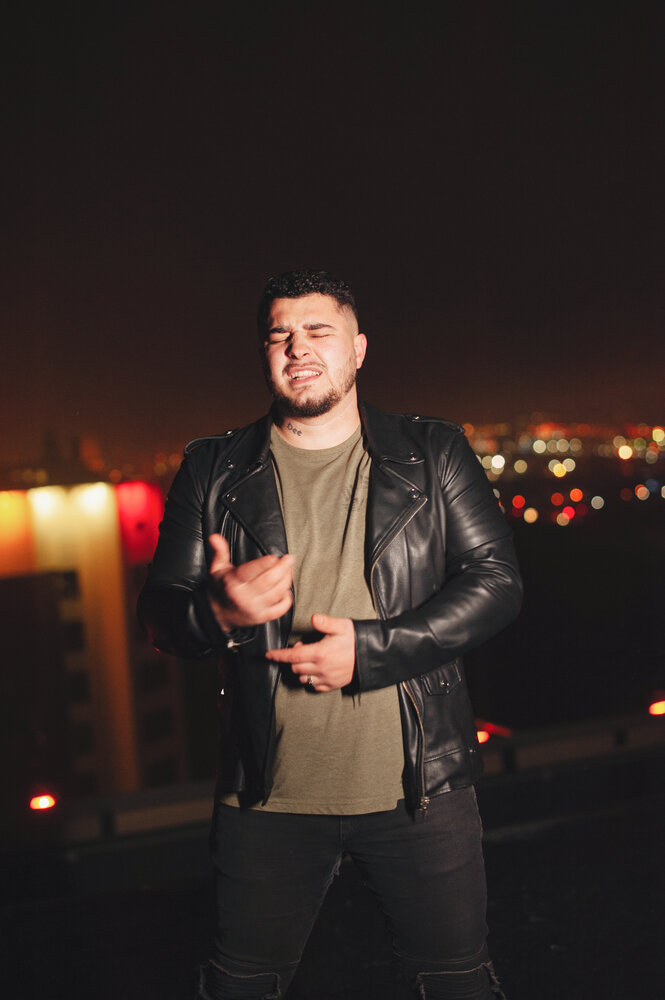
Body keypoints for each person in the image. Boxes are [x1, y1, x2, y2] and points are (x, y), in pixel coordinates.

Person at [138, 269, 522, 1000]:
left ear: (359, 348)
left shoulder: (433, 451)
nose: (298, 348)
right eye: (280, 334)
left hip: (421, 789)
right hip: (265, 797)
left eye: (318, 330)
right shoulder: (212, 468)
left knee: (452, 982)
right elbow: (160, 616)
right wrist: (219, 613)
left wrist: (371, 652)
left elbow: (497, 583)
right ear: (263, 353)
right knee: (241, 984)